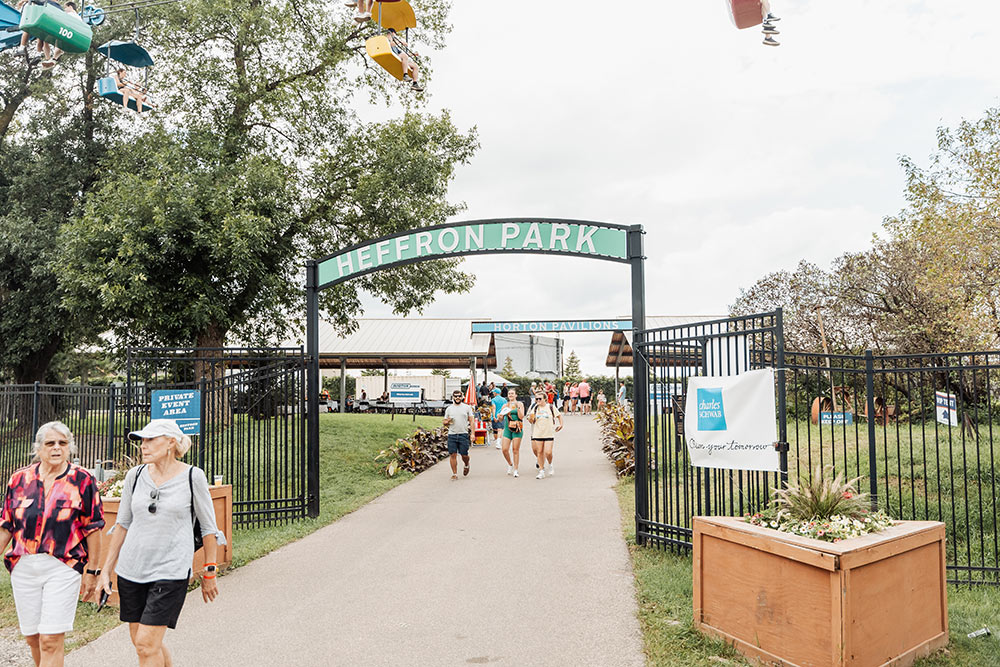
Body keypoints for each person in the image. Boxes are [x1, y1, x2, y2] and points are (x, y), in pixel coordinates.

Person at [98, 419, 223, 667]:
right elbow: (122, 524)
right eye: (142, 440)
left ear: (170, 442)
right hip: (131, 570)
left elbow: (209, 529)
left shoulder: (192, 476)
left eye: (150, 440)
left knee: (146, 643)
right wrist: (105, 570)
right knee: (142, 643)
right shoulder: (135, 476)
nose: (143, 446)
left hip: (170, 570)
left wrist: (210, 571)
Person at [1, 421, 105, 667]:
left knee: (50, 639)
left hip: (63, 566)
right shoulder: (19, 480)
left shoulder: (83, 480)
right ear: (38, 448)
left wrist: (93, 572)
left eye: (63, 443)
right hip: (24, 567)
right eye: (50, 443)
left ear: (70, 447)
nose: (56, 448)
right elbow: (6, 525)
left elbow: (94, 528)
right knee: (33, 638)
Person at [527, 390, 563, 479]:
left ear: (545, 399)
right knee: (539, 452)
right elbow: (531, 420)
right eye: (536, 399)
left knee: (548, 452)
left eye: (539, 399)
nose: (538, 400)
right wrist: (531, 418)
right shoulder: (535, 408)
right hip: (537, 432)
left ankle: (550, 464)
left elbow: (559, 416)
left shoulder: (550, 407)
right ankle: (541, 470)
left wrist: (561, 424)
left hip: (548, 432)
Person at [442, 390, 476, 480]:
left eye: (459, 396)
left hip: (463, 434)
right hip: (452, 434)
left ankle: (466, 464)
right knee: (452, 454)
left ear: (462, 397)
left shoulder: (467, 408)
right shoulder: (449, 409)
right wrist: (447, 421)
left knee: (464, 455)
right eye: (455, 396)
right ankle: (455, 474)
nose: (457, 398)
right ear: (453, 397)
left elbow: (472, 421)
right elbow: (444, 422)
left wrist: (473, 434)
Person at [498, 388, 525, 477]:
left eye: (512, 393)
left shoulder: (520, 404)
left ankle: (516, 469)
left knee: (515, 450)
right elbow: (500, 419)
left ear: (516, 395)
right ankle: (510, 464)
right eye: (509, 393)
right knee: (504, 449)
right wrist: (500, 416)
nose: (510, 395)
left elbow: (521, 417)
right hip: (507, 428)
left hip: (517, 429)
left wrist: (518, 407)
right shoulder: (505, 405)